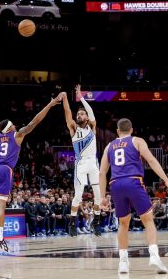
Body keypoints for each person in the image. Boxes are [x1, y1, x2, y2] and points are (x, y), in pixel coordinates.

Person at [0, 95, 62, 252]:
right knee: (1, 205)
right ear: (9, 128)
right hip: (5, 170)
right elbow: (35, 121)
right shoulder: (17, 135)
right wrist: (50, 104)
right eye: (12, 125)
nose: (15, 126)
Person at [99, 118, 168, 274]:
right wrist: (166, 180)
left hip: (115, 184)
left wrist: (102, 196)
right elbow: (151, 160)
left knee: (123, 223)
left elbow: (101, 172)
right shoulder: (137, 141)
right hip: (133, 181)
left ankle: (123, 262)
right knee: (148, 220)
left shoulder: (109, 146)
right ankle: (154, 256)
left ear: (118, 131)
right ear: (131, 130)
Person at [60, 85, 101, 237]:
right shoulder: (73, 128)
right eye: (78, 114)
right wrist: (65, 98)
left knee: (98, 195)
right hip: (81, 163)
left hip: (93, 162)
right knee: (78, 194)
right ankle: (72, 223)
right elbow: (67, 112)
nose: (79, 115)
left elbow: (90, 112)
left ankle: (96, 222)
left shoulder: (91, 126)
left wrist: (81, 97)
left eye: (82, 114)